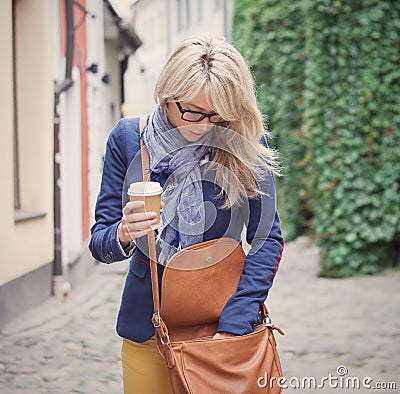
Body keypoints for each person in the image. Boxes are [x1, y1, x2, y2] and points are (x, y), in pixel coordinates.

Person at [89, 34, 284, 394]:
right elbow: (100, 242)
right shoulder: (129, 140)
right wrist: (123, 233)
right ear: (167, 95)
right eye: (192, 110)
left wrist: (235, 324)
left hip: (225, 325)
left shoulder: (245, 140)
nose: (203, 125)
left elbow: (266, 239)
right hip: (148, 328)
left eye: (216, 114)